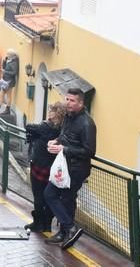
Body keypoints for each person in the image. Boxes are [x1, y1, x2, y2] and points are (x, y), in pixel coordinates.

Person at [44, 88, 97, 250]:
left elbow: (90, 151)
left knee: (62, 198)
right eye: (67, 99)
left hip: (76, 169)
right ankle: (66, 231)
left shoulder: (87, 123)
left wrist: (63, 149)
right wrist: (55, 141)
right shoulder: (68, 116)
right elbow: (65, 136)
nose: (68, 103)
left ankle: (68, 229)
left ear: (81, 103)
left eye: (72, 100)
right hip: (65, 166)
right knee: (55, 196)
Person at [24, 103, 65, 233]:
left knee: (38, 195)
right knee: (50, 197)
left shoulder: (46, 126)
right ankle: (47, 224)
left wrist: (44, 122)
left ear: (54, 114)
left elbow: (29, 126)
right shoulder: (63, 129)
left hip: (39, 164)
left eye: (51, 111)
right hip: (53, 167)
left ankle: (38, 223)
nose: (49, 113)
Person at [0, 49, 19, 115]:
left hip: (9, 81)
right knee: (2, 94)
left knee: (7, 95)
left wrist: (5, 72)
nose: (7, 55)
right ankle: (0, 109)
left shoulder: (14, 63)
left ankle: (2, 109)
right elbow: (4, 67)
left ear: (12, 55)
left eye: (8, 54)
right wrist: (4, 61)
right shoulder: (10, 61)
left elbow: (14, 72)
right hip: (6, 80)